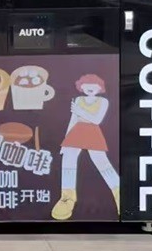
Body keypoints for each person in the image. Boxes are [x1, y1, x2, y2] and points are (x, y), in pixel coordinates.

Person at [51, 74, 119, 220]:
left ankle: (119, 193)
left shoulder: (103, 101)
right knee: (68, 160)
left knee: (101, 162)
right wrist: (66, 140)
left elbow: (97, 120)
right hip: (77, 131)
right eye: (86, 85)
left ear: (100, 88)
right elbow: (73, 120)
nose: (90, 88)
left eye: (94, 85)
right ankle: (67, 197)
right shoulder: (78, 100)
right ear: (81, 87)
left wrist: (79, 111)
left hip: (92, 131)